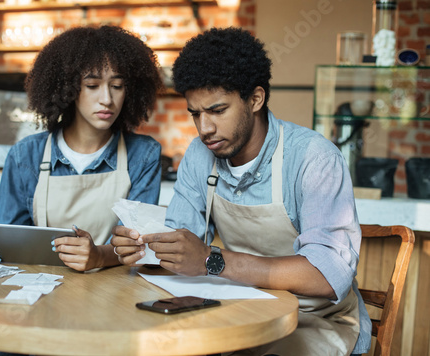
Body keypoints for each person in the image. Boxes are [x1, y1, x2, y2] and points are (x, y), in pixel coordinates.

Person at [111, 27, 371, 355]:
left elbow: (328, 275)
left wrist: (212, 260)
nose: (204, 128)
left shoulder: (313, 158)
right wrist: (144, 248)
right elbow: (184, 243)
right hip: (244, 310)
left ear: (255, 99)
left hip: (316, 320)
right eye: (196, 113)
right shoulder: (199, 154)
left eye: (218, 111)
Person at [0, 26, 163, 273]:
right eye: (92, 85)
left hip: (115, 293)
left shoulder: (143, 156)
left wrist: (99, 256)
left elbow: (137, 245)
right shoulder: (25, 156)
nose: (107, 99)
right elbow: (6, 247)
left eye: (117, 85)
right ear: (68, 89)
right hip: (42, 291)